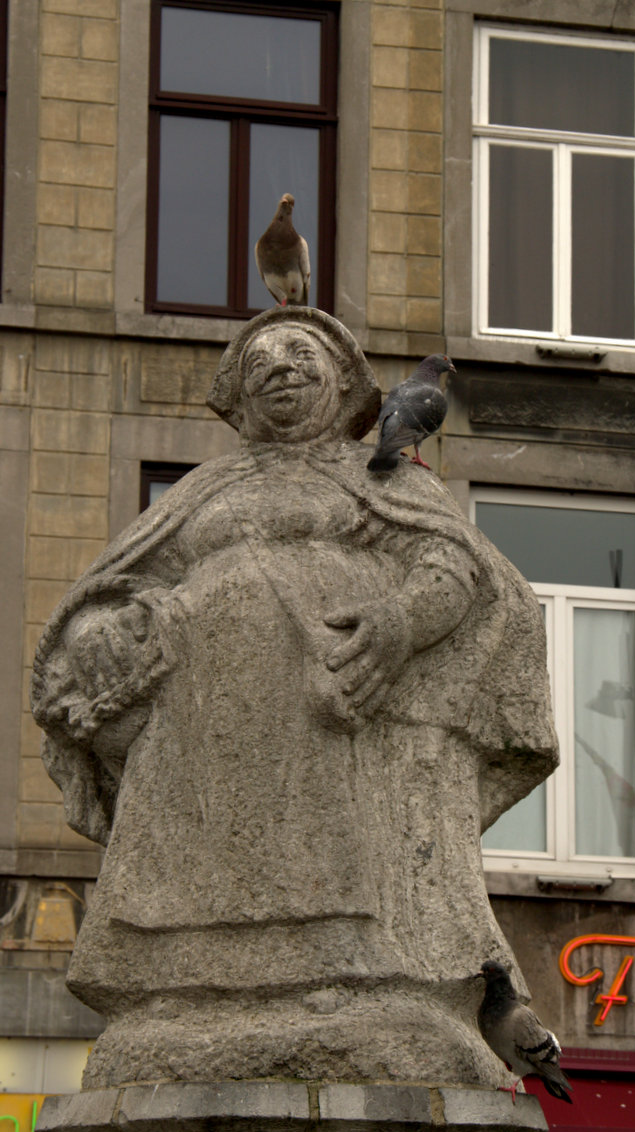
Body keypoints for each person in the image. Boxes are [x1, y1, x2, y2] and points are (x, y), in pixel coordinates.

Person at [31, 307, 558, 1087]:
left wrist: (399, 625)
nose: (279, 368)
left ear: (343, 381)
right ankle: (182, 996)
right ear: (239, 397)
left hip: (334, 704)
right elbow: (112, 589)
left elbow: (454, 568)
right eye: (260, 362)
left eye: (300, 354)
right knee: (195, 866)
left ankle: (356, 982)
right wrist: (97, 636)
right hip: (202, 725)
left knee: (333, 852)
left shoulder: (383, 477)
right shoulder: (202, 491)